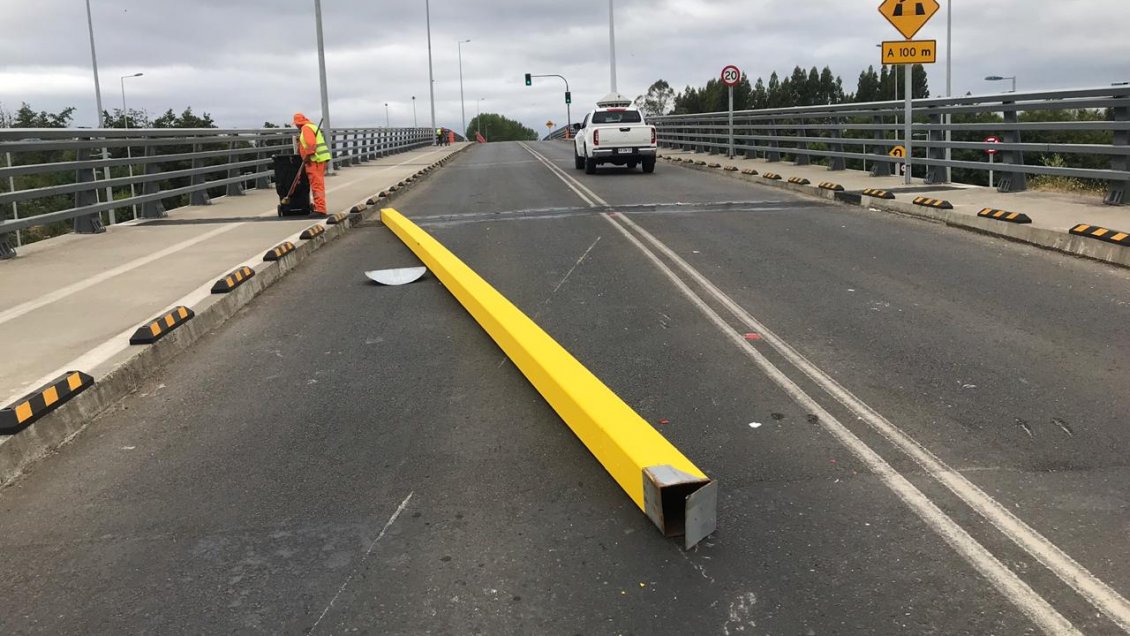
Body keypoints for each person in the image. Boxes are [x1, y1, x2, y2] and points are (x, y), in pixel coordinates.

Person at [292, 112, 331, 215]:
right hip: (317, 160)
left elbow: (311, 144)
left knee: (317, 185)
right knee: (317, 184)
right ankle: (319, 206)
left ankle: (320, 209)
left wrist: (307, 156)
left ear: (297, 123)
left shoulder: (306, 129)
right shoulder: (311, 126)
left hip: (315, 160)